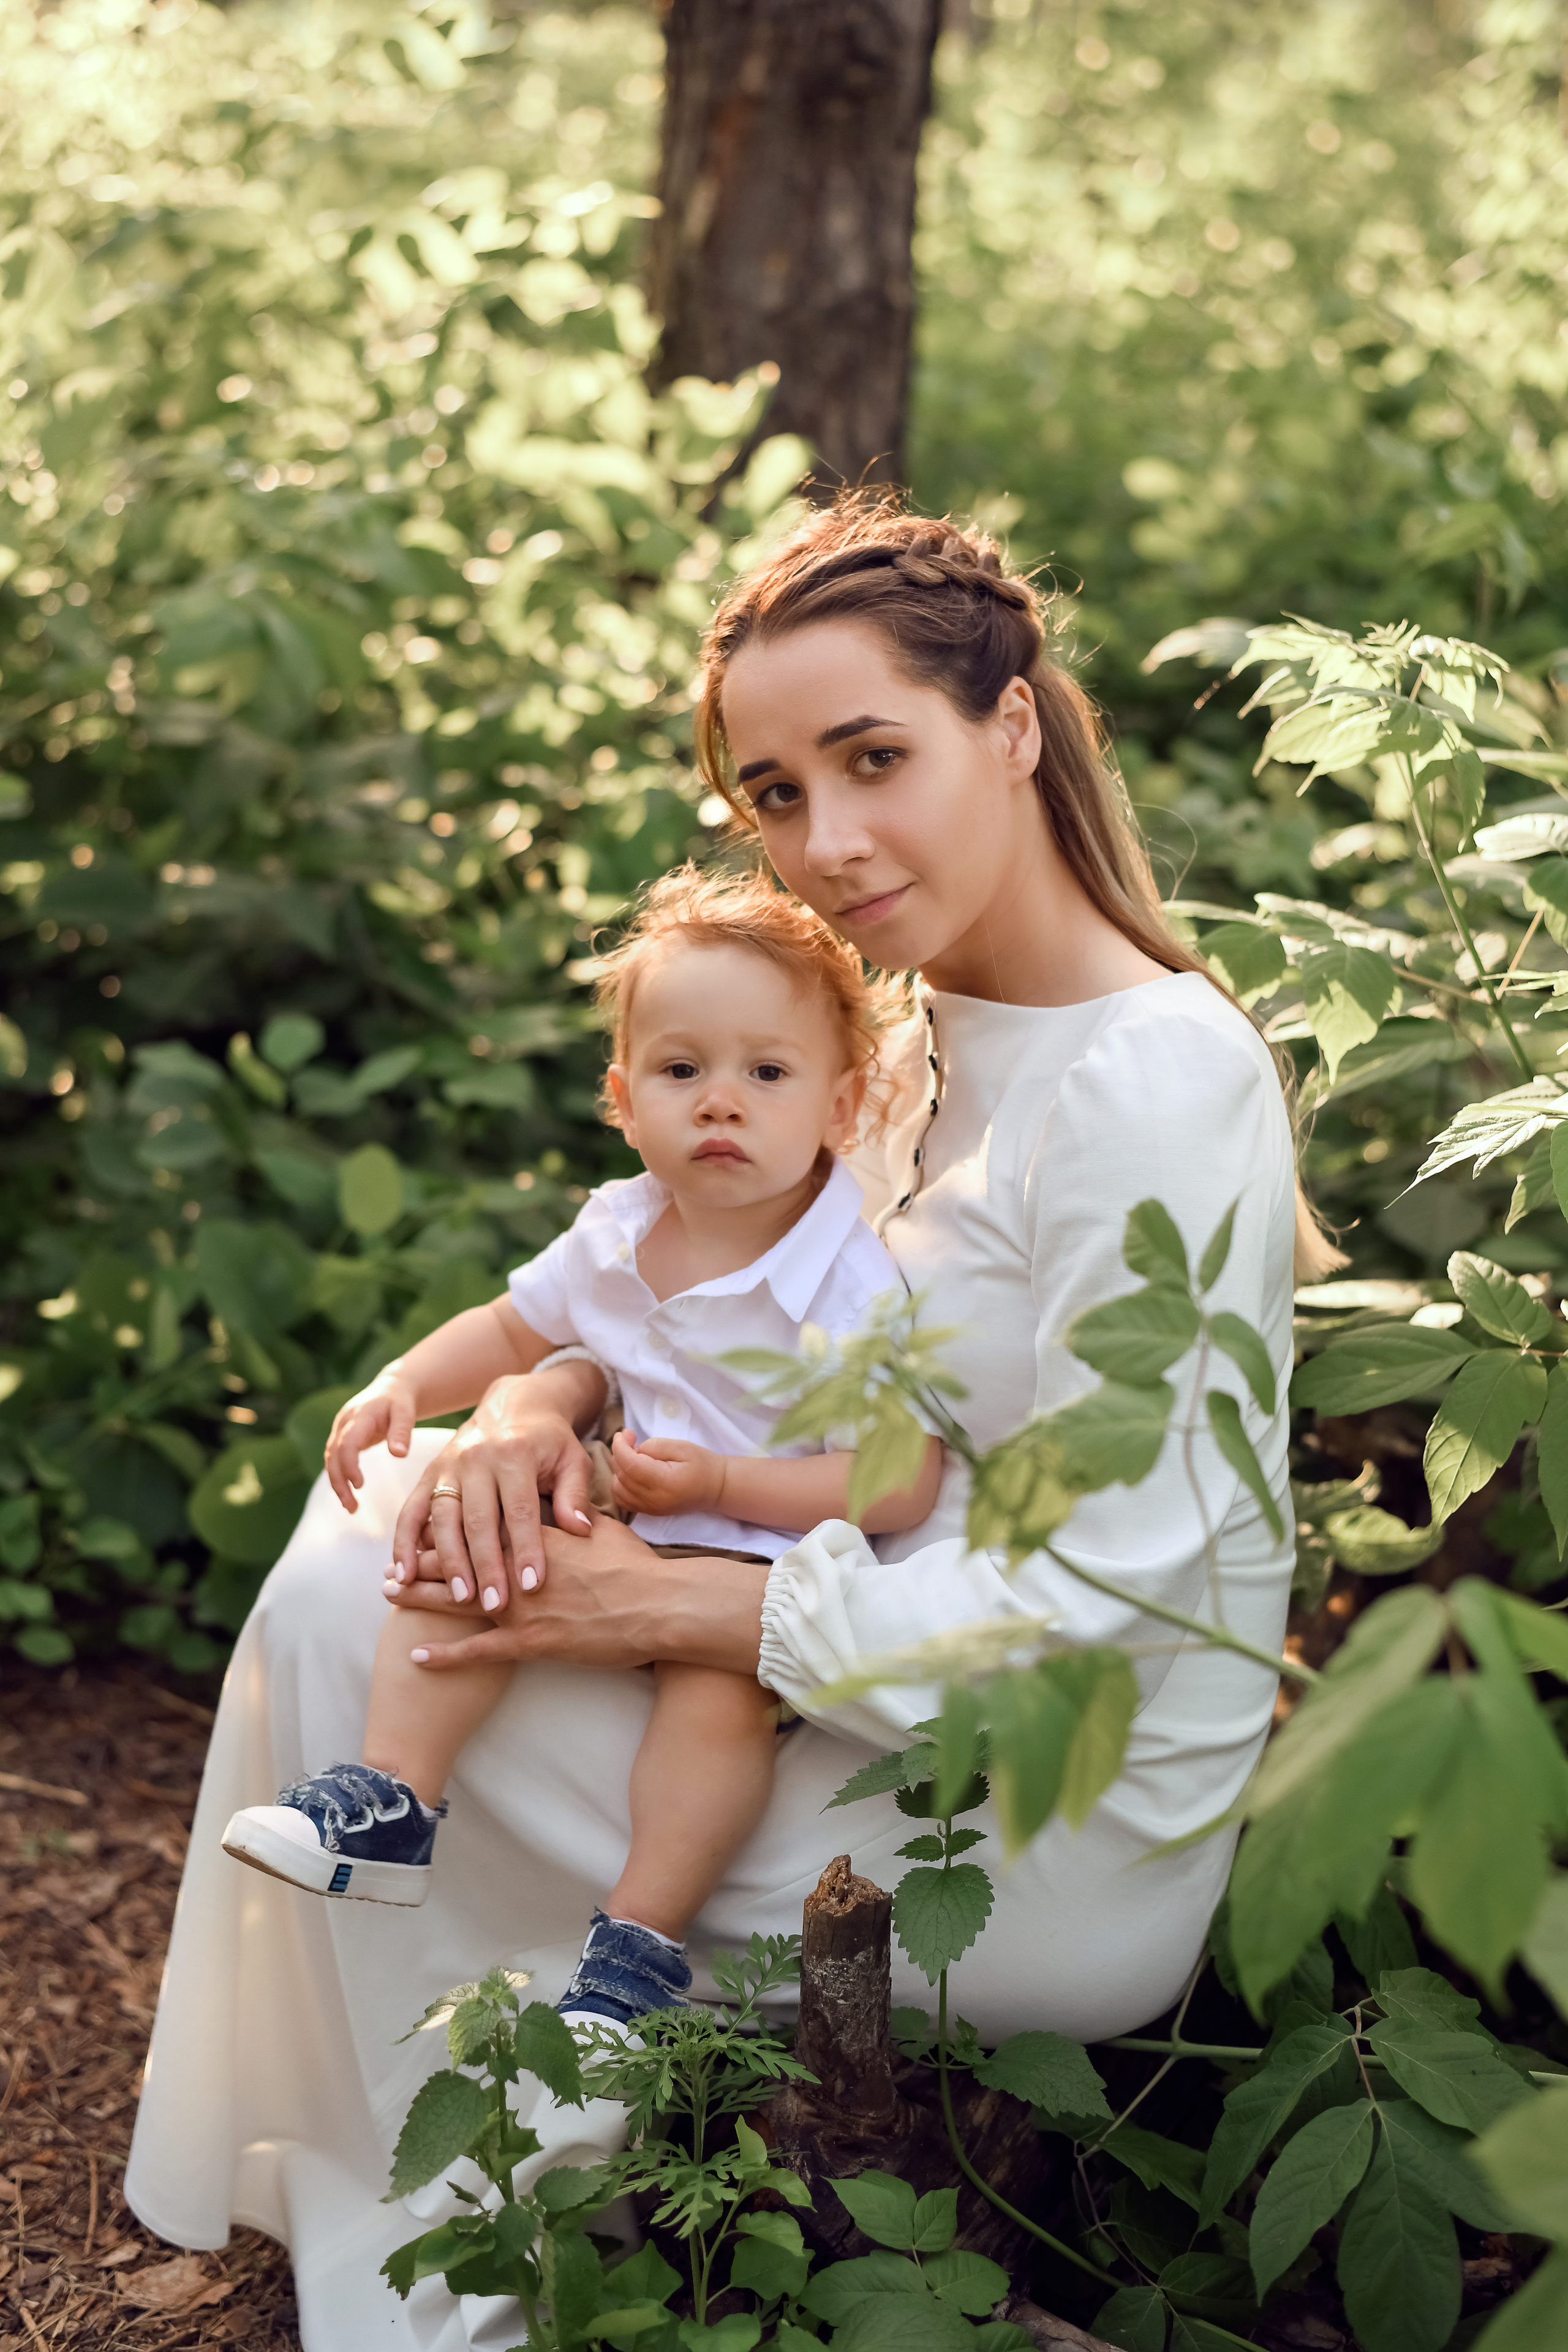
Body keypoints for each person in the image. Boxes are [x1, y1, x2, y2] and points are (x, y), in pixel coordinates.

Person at [126, 495, 1336, 2352]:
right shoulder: (918, 1032)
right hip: (839, 1644)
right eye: (774, 793)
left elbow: (1114, 1591)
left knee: (362, 1603)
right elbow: (716, 1325)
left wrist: (667, 1610)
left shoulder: (1155, 1079)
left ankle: (459, 2221)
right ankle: (416, 2170)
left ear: (1012, 728)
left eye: (875, 761)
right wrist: (548, 1403)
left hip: (1032, 1805)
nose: (825, 843)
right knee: (402, 1531)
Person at [217, 868, 940, 2026]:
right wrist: (407, 1380)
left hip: (749, 1562)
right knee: (464, 1542)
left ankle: (639, 1944)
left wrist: (721, 1482)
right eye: (681, 1070)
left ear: (843, 1107)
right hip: (604, 1515)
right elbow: (513, 1328)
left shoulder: (848, 1282)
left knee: (719, 1705)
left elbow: (902, 1478)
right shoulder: (617, 1227)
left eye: (767, 1072)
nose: (721, 1103)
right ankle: (395, 1800)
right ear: (623, 1098)